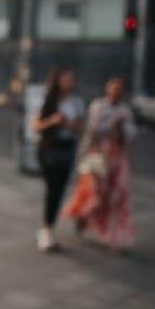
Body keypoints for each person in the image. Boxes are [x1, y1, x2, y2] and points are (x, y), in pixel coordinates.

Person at [62, 77, 137, 252]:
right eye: (113, 88)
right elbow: (92, 131)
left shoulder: (125, 111)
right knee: (96, 194)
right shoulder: (98, 106)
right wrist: (83, 155)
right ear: (107, 89)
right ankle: (83, 216)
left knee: (118, 197)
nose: (116, 92)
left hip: (117, 158)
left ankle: (115, 238)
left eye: (119, 89)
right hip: (98, 156)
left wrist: (121, 129)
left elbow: (130, 136)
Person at [32, 68, 84, 252]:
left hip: (66, 147)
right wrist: (53, 121)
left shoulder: (76, 101)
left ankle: (47, 229)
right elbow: (36, 126)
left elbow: (78, 127)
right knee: (52, 188)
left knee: (57, 189)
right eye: (65, 79)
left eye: (71, 78)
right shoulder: (47, 99)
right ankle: (46, 229)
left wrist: (67, 123)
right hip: (48, 148)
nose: (69, 82)